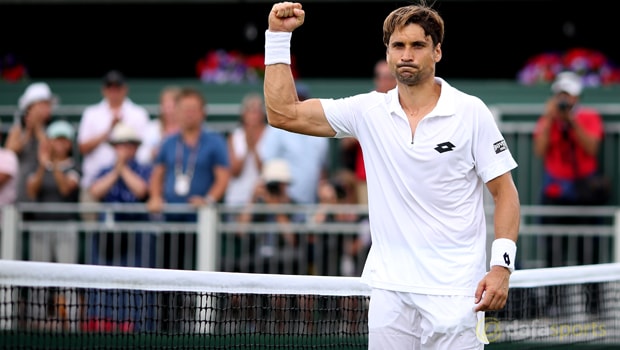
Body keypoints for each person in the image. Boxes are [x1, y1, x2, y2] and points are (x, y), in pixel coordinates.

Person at [262, 2, 520, 349]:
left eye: (418, 45)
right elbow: (283, 113)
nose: (407, 54)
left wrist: (501, 268)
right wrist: (278, 37)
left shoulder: (470, 111)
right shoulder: (369, 111)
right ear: (387, 53)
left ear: (437, 51)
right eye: (398, 46)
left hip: (456, 293)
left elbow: (505, 193)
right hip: (389, 293)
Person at [146, 86, 230, 269]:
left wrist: (207, 201)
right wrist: (154, 197)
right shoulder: (168, 142)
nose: (189, 114)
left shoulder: (215, 141)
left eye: (193, 109)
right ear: (176, 112)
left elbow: (223, 178)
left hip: (201, 221)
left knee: (200, 271)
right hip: (171, 221)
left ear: (202, 113)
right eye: (184, 109)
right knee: (169, 274)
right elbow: (157, 175)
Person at [85, 122, 154, 333]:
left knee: (134, 283)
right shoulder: (105, 170)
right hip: (108, 238)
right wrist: (117, 169)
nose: (124, 148)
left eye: (129, 144)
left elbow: (142, 190)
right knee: (105, 281)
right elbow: (95, 191)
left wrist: (123, 168)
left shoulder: (144, 168)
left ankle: (135, 326)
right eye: (120, 144)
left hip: (136, 238)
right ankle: (102, 325)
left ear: (135, 147)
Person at [24, 119, 80, 332]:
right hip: (40, 229)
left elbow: (66, 189)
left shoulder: (74, 167)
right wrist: (43, 164)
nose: (59, 144)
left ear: (69, 144)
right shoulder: (38, 166)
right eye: (56, 139)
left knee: (68, 277)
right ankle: (35, 323)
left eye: (63, 140)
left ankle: (72, 325)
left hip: (66, 229)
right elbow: (32, 190)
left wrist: (55, 165)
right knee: (38, 277)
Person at [77, 70, 150, 221]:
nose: (114, 91)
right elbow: (82, 147)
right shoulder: (91, 113)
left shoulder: (138, 113)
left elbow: (143, 149)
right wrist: (108, 131)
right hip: (95, 180)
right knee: (95, 233)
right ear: (104, 90)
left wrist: (123, 167)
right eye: (110, 87)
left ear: (125, 89)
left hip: (131, 180)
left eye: (118, 87)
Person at [258, 83, 329, 205]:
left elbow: (322, 169)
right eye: (296, 98)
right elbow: (266, 163)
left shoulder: (319, 129)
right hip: (281, 203)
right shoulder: (276, 128)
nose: (299, 103)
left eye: (302, 99)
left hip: (310, 203)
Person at [340, 59, 397, 205]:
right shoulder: (365, 105)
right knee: (368, 220)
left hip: (396, 178)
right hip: (367, 178)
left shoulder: (404, 104)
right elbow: (345, 143)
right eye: (382, 77)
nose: (385, 81)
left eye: (389, 77)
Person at [5, 82, 56, 207]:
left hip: (44, 187)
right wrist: (28, 132)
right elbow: (8, 153)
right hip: (19, 188)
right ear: (31, 107)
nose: (48, 109)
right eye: (43, 104)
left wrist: (38, 129)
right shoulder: (18, 130)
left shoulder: (53, 129)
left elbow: (52, 153)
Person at [136, 85, 182, 165]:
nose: (169, 111)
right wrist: (152, 153)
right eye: (166, 106)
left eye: (172, 106)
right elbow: (140, 156)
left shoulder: (187, 129)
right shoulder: (151, 128)